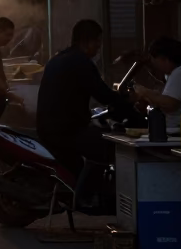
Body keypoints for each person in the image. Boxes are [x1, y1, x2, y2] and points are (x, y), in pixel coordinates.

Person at [36, 19, 135, 177]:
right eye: (97, 43)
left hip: (49, 128)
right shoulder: (81, 62)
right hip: (66, 131)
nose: (98, 48)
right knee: (107, 149)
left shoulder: (58, 59)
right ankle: (87, 198)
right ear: (86, 41)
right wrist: (129, 107)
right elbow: (103, 94)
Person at [133, 37, 181, 132]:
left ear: (165, 59)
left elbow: (169, 104)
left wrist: (144, 92)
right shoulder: (173, 74)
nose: (154, 65)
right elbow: (162, 98)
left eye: (155, 60)